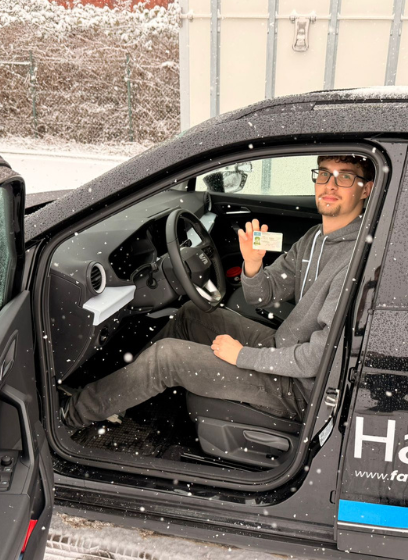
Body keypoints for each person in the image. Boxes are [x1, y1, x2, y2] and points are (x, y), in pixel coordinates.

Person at [60, 155, 375, 430]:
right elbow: (262, 296)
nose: (330, 185)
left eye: (345, 177)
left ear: (367, 189)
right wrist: (253, 265)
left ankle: (70, 415)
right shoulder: (315, 237)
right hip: (284, 347)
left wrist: (242, 356)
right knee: (191, 314)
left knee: (165, 357)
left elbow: (316, 360)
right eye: (324, 174)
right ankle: (120, 397)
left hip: (301, 390)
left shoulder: (355, 260)